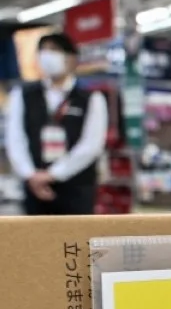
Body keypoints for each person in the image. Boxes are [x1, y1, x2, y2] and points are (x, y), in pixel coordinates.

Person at [4, 32, 108, 215]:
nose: (47, 56)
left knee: (76, 242)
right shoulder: (22, 95)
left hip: (76, 188)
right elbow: (15, 139)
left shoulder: (91, 98)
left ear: (72, 58)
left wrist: (54, 174)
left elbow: (91, 145)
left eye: (54, 50)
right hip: (34, 188)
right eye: (42, 51)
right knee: (35, 240)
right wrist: (31, 175)